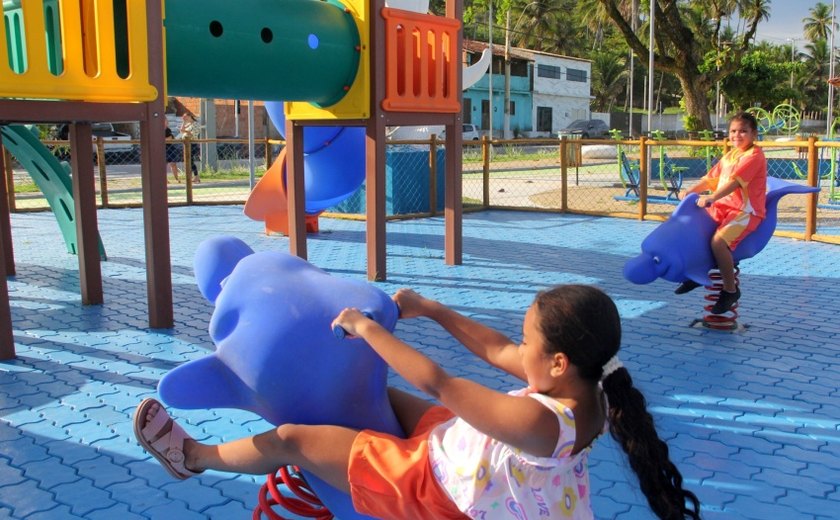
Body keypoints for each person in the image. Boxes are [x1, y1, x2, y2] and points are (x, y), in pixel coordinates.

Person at [134, 285, 701, 519]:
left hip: (438, 491)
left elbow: (443, 386)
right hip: (468, 451)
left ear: (557, 363)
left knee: (294, 440)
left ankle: (194, 458)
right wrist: (433, 310)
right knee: (378, 396)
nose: (517, 346)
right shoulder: (591, 385)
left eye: (531, 341)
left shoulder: (536, 421)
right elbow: (496, 348)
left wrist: (368, 331)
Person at [674, 111, 767, 314]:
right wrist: (690, 191)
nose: (737, 135)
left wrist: (712, 198)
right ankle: (697, 272)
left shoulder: (754, 156)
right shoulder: (731, 155)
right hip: (724, 208)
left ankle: (730, 290)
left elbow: (734, 183)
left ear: (754, 134)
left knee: (718, 242)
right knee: (695, 230)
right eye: (733, 131)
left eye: (743, 131)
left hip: (745, 212)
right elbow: (710, 179)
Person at [180, 113, 201, 183]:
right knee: (188, 161)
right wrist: (183, 122)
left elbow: (193, 134)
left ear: (190, 116)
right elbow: (181, 130)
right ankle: (193, 176)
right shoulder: (188, 124)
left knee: (190, 161)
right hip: (187, 144)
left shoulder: (195, 124)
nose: (185, 119)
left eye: (186, 117)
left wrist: (185, 131)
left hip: (192, 144)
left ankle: (196, 176)